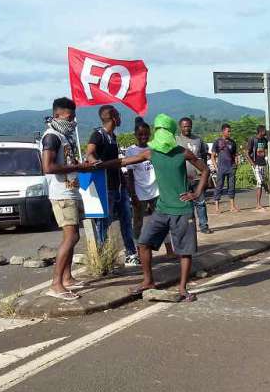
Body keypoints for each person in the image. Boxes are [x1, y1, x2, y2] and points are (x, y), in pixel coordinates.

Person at [120, 114, 209, 302]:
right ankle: (148, 281)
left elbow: (205, 170)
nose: (160, 133)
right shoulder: (151, 153)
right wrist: (95, 165)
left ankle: (183, 289)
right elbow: (124, 162)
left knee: (184, 251)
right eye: (158, 130)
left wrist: (196, 193)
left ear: (170, 132)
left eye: (163, 130)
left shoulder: (183, 152)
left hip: (182, 209)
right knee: (143, 243)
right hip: (162, 209)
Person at [40, 97, 94, 300]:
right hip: (61, 194)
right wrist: (78, 167)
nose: (72, 121)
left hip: (71, 190)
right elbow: (48, 167)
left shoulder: (64, 136)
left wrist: (77, 165)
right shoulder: (51, 137)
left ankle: (67, 277)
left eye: (74, 117)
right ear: (57, 115)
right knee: (71, 236)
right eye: (69, 117)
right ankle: (56, 284)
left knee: (72, 236)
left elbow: (66, 162)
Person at [85, 105, 139, 266]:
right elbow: (89, 153)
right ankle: (104, 259)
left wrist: (124, 183)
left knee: (126, 221)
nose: (121, 118)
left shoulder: (112, 137)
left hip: (119, 187)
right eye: (119, 115)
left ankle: (131, 254)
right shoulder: (98, 135)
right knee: (103, 224)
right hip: (105, 187)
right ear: (113, 117)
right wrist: (96, 163)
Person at [125, 118, 174, 255]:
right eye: (140, 134)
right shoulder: (131, 151)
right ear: (135, 135)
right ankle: (140, 252)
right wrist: (133, 194)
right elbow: (130, 175)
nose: (143, 137)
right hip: (139, 193)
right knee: (138, 223)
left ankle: (169, 249)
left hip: (157, 192)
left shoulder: (154, 147)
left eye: (146, 134)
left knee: (163, 221)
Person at [176, 117, 212, 233]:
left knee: (200, 203)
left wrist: (204, 173)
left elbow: (203, 155)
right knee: (186, 204)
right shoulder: (175, 140)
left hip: (197, 177)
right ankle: (189, 227)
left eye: (189, 126)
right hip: (183, 178)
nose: (187, 128)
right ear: (180, 127)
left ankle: (204, 226)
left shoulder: (198, 140)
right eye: (184, 126)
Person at [212, 123, 239, 213]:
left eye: (230, 131)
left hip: (231, 167)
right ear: (223, 131)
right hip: (221, 168)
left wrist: (236, 165)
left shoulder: (232, 142)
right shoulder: (217, 142)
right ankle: (217, 208)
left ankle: (232, 206)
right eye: (228, 131)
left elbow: (235, 155)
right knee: (219, 187)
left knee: (231, 187)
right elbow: (213, 156)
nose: (230, 133)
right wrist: (216, 167)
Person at [246, 125, 270, 210]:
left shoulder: (264, 140)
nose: (265, 133)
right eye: (265, 131)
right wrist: (253, 164)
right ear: (261, 131)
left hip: (263, 164)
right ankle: (258, 204)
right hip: (256, 164)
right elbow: (247, 153)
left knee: (262, 181)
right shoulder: (253, 139)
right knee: (259, 182)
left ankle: (265, 188)